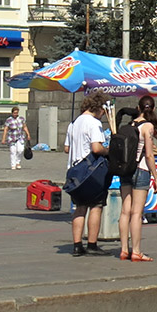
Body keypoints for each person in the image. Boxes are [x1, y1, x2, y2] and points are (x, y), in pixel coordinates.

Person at [64, 92, 111, 256]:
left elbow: (66, 149)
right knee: (96, 207)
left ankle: (77, 245)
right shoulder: (93, 123)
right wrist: (108, 151)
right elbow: (96, 148)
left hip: (74, 172)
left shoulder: (74, 123)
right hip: (91, 173)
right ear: (99, 108)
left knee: (79, 208)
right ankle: (92, 244)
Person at [119, 95, 157, 262]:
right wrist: (155, 176)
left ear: (138, 108)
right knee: (137, 213)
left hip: (126, 169)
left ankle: (123, 250)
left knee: (124, 211)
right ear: (153, 109)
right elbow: (148, 155)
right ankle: (136, 251)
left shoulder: (130, 124)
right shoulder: (148, 127)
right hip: (141, 170)